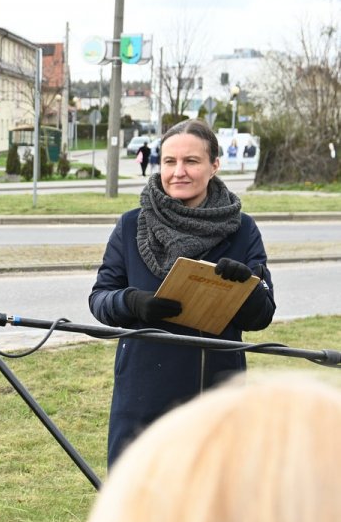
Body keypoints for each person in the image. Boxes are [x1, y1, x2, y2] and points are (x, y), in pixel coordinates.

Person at [88, 118, 276, 467]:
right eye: (169, 161)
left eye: (191, 161)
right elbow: (100, 298)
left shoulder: (242, 229)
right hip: (143, 392)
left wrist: (246, 287)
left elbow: (262, 315)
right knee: (141, 503)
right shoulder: (131, 224)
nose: (179, 172)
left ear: (214, 165)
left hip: (216, 392)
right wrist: (131, 301)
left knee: (212, 505)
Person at [75, 371, 341, 522]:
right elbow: (101, 304)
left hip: (222, 379)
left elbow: (261, 315)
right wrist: (131, 302)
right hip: (150, 385)